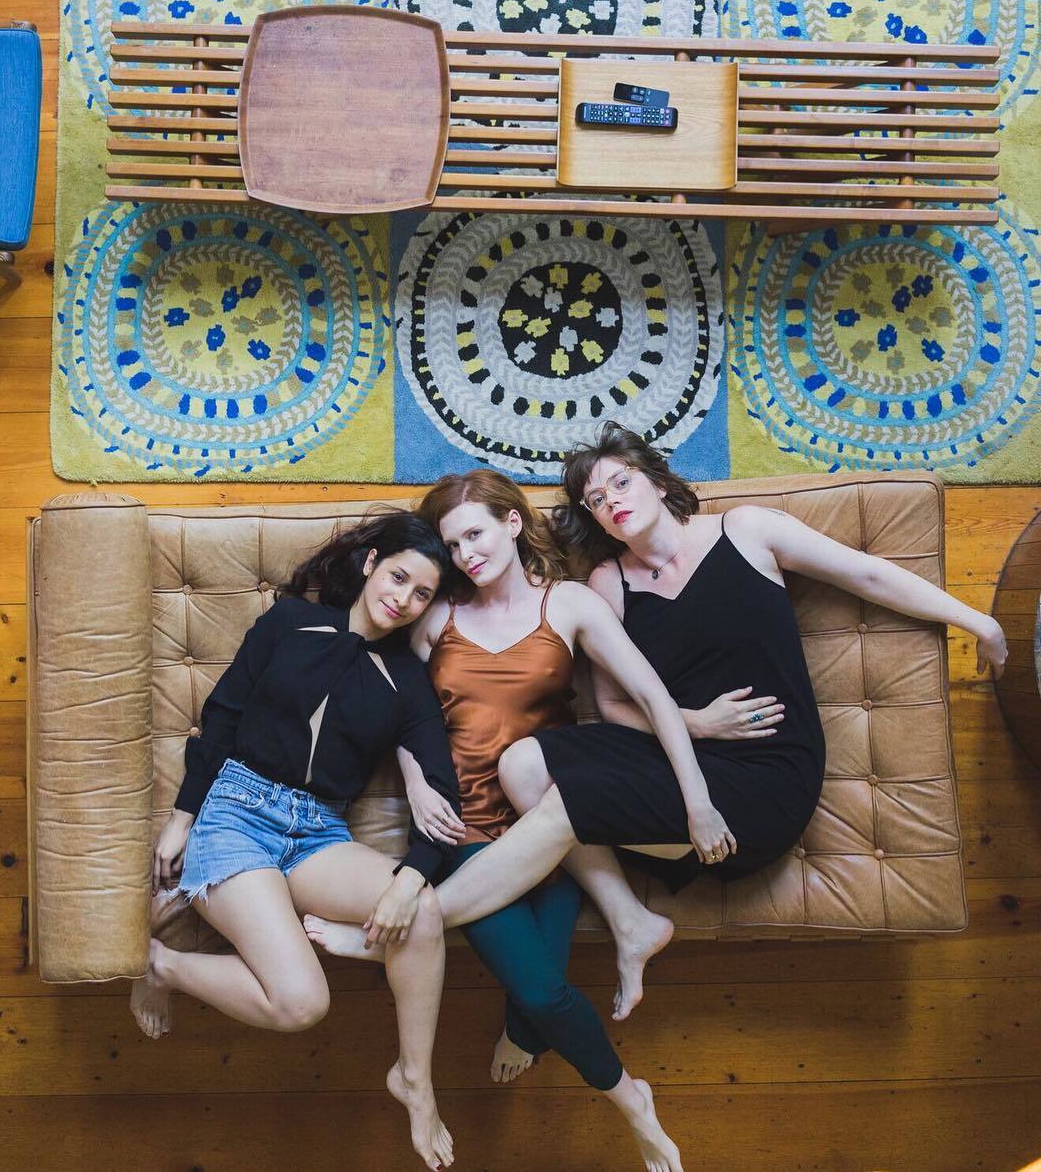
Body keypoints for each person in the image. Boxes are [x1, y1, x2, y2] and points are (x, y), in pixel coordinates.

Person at [305, 470, 757, 1172]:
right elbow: (401, 708)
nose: (466, 555)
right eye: (454, 544)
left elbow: (650, 696)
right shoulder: (436, 615)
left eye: (476, 534)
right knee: (545, 993)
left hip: (555, 831)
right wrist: (418, 780)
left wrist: (697, 799)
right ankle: (635, 1103)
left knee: (535, 1000)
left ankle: (433, 970)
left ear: (513, 524)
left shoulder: (569, 603)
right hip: (466, 829)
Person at [495, 422, 1008, 897]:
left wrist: (977, 622)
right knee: (523, 763)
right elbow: (612, 706)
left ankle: (453, 907)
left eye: (622, 482)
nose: (612, 501)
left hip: (767, 772)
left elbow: (867, 574)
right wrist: (696, 722)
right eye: (597, 500)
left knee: (568, 804)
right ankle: (630, 906)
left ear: (658, 482)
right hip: (675, 755)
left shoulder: (746, 531)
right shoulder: (610, 582)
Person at [128, 511, 462, 1172]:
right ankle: (161, 965)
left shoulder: (407, 682)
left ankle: (415, 1080)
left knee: (422, 910)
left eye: (422, 593)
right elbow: (223, 716)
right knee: (302, 1003)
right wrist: (183, 817)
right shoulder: (289, 621)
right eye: (399, 577)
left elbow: (444, 798)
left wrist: (410, 878)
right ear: (371, 564)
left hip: (317, 832)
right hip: (236, 812)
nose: (404, 599)